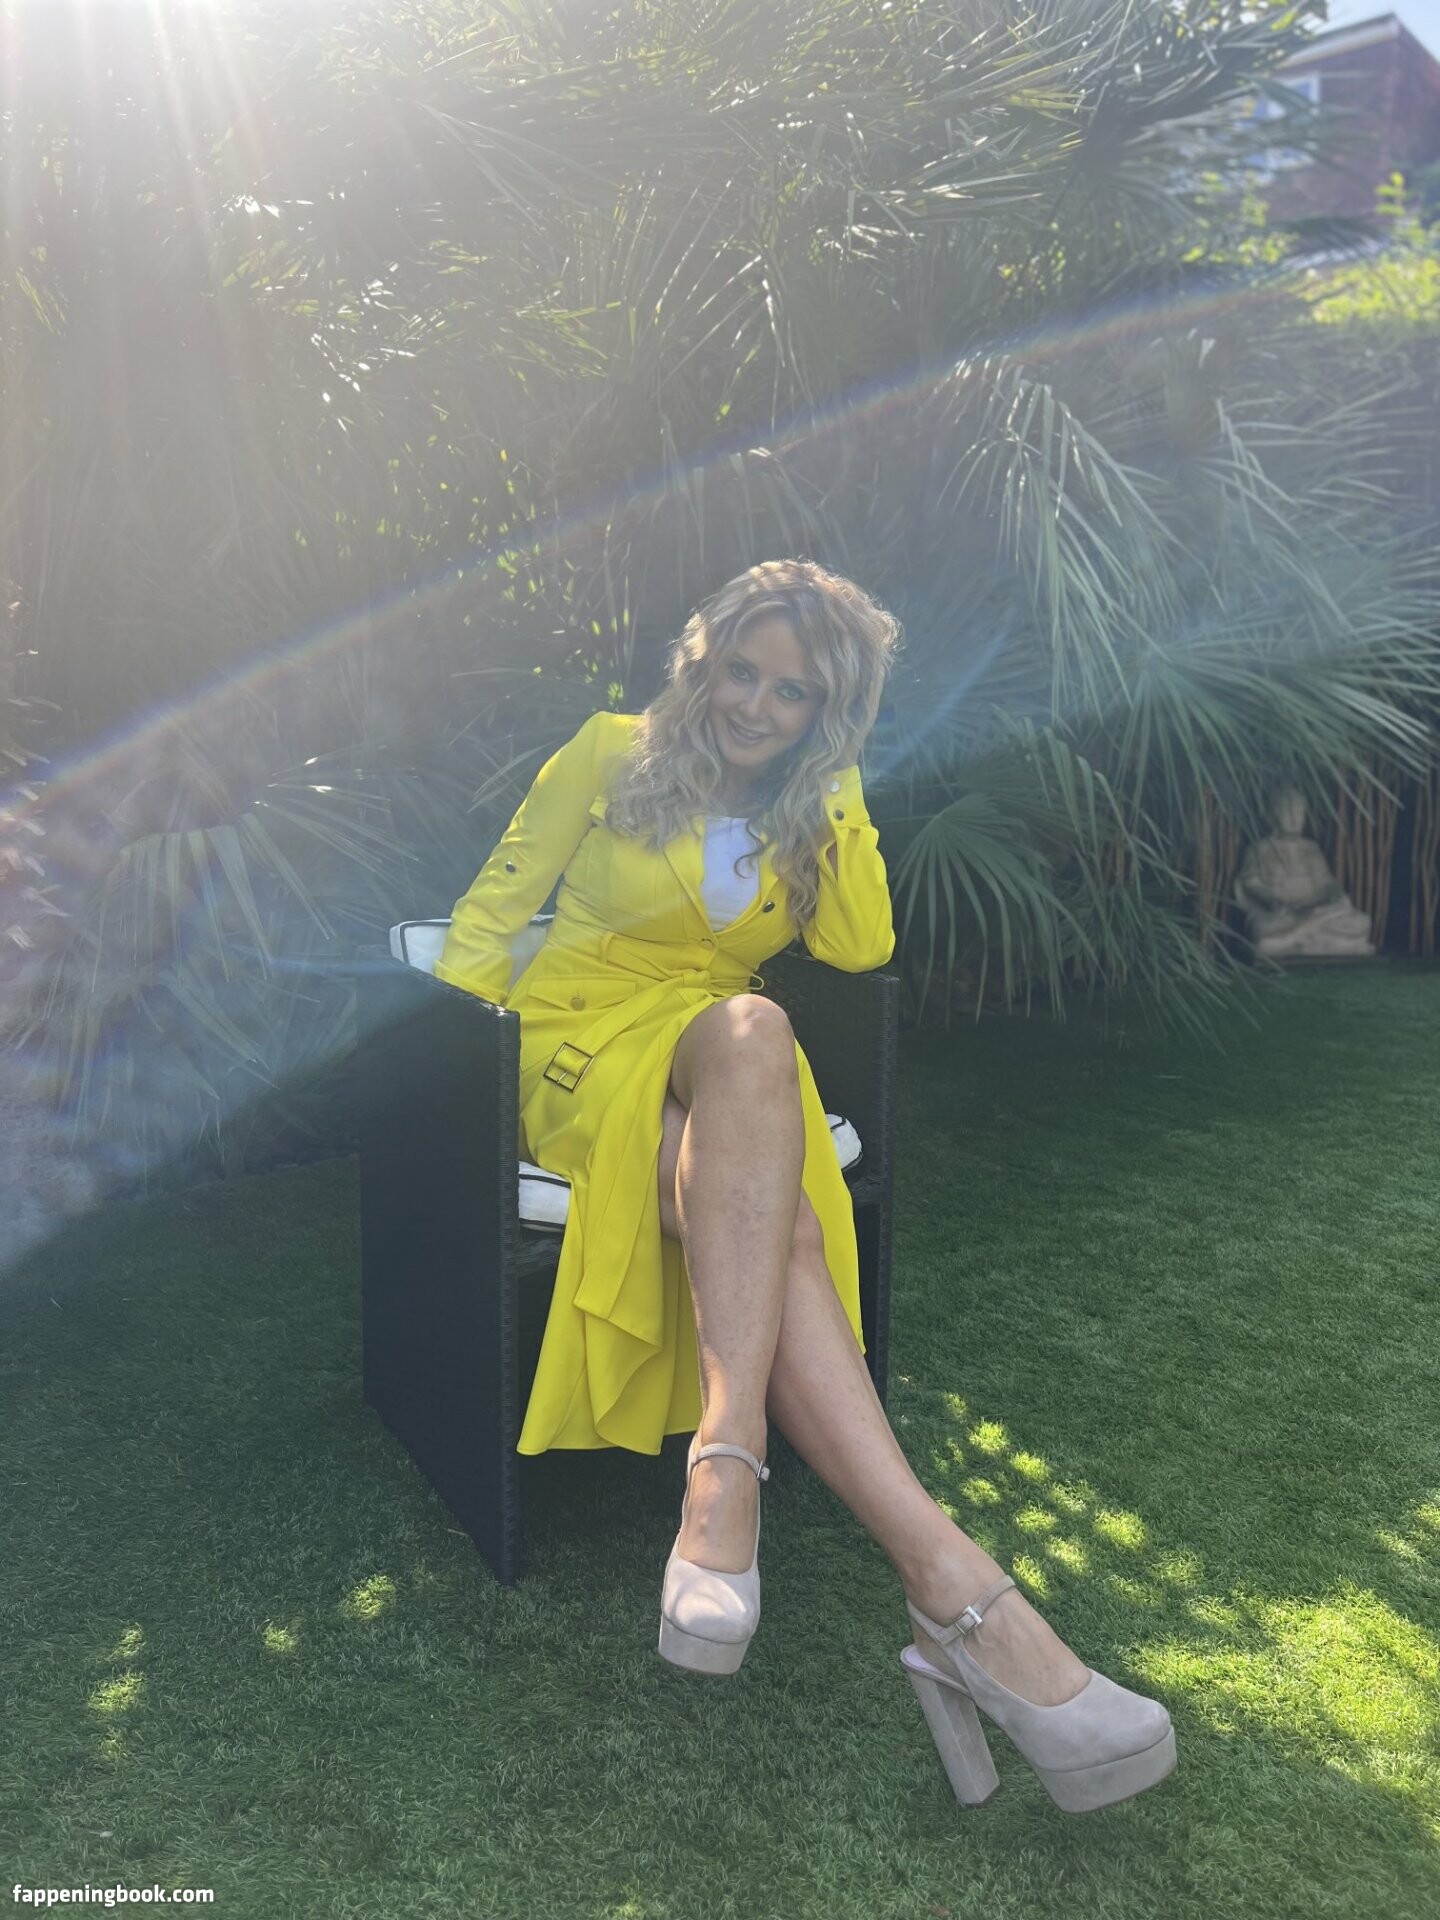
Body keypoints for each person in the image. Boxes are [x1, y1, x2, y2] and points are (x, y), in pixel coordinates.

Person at [436, 559, 1175, 1813]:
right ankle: (961, 1603)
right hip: (576, 1046)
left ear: (826, 715)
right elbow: (485, 922)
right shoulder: (610, 752)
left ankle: (738, 1475)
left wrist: (834, 786)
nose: (757, 707)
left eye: (796, 695)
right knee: (760, 1071)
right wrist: (454, 1096)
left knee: (752, 1047)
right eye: (744, 672)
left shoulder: (808, 804)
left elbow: (859, 944)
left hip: (716, 1064)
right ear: (704, 662)